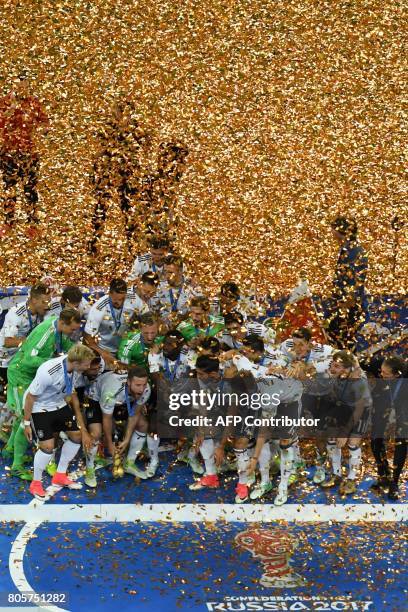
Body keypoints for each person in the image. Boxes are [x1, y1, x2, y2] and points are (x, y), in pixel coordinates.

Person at [5, 307, 81, 480]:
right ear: (62, 323)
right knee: (27, 416)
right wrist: (54, 362)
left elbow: (69, 349)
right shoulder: (45, 332)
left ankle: (10, 449)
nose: (74, 332)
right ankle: (16, 465)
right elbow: (28, 360)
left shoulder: (61, 331)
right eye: (72, 329)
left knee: (21, 417)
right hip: (20, 374)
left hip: (33, 376)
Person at [22, 343, 95, 500]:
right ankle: (35, 483)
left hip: (58, 403)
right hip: (39, 407)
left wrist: (82, 428)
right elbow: (30, 397)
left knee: (76, 436)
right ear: (76, 363)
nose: (89, 366)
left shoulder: (74, 369)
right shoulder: (48, 372)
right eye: (86, 364)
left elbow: (71, 394)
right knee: (47, 447)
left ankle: (60, 475)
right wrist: (27, 423)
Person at [89, 99, 151, 254]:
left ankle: (133, 245)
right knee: (101, 208)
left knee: (128, 209)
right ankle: (94, 242)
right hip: (108, 172)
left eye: (126, 111)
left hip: (128, 175)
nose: (123, 114)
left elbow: (145, 146)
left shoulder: (136, 129)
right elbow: (98, 150)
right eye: (120, 110)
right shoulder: (107, 129)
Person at [0, 72, 49, 234]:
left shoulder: (33, 103)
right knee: (9, 188)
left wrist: (42, 130)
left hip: (29, 153)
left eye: (25, 85)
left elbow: (45, 124)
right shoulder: (6, 102)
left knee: (30, 189)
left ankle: (32, 224)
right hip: (9, 153)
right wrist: (11, 110)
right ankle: (9, 222)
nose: (22, 88)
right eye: (19, 85)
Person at [320, 350, 372, 496]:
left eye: (336, 366)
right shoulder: (337, 375)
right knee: (331, 439)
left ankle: (351, 478)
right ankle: (336, 474)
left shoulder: (359, 382)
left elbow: (359, 409)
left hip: (360, 411)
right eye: (333, 364)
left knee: (352, 442)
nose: (332, 368)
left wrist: (344, 433)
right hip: (344, 407)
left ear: (346, 369)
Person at [0, 282, 50, 399]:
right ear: (34, 300)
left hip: (20, 358)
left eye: (49, 301)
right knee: (8, 396)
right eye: (44, 302)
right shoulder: (16, 314)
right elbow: (7, 342)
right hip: (5, 360)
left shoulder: (41, 313)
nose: (47, 305)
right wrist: (28, 342)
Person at [327, 217, 368, 350]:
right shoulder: (348, 249)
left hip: (348, 309)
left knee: (343, 345)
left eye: (333, 228)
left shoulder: (354, 251)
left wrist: (343, 309)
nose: (331, 232)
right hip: (343, 307)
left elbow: (355, 285)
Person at [370, 356, 407, 501]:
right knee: (375, 440)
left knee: (402, 442)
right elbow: (354, 361)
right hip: (382, 403)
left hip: (403, 408)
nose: (381, 375)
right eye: (381, 371)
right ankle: (383, 475)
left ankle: (394, 483)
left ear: (397, 374)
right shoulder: (377, 364)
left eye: (386, 374)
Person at [84, 278, 139, 370]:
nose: (119, 302)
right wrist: (103, 353)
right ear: (109, 293)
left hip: (126, 348)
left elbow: (147, 319)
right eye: (115, 299)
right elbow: (87, 340)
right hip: (105, 350)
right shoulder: (98, 308)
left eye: (122, 299)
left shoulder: (133, 300)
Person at [154, 255, 200, 325]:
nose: (167, 275)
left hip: (188, 328)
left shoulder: (193, 287)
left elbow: (202, 312)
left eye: (170, 272)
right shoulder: (159, 286)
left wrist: (185, 316)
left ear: (180, 271)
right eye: (165, 271)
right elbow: (153, 310)